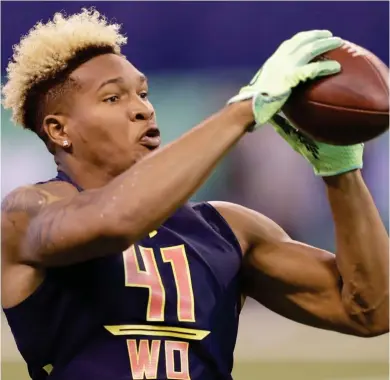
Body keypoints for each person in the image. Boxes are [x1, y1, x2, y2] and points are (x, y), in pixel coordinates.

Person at [1, 8, 388, 380]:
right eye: (113, 98)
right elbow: (116, 222)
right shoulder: (27, 213)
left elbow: (371, 312)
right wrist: (240, 113)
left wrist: (341, 173)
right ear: (58, 130)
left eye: (144, 93)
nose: (143, 110)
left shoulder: (228, 228)